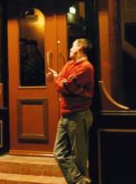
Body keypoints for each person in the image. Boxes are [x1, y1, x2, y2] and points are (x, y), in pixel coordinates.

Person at [46, 38, 95, 184]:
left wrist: (57, 79)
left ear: (79, 47)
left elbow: (67, 87)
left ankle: (80, 180)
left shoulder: (86, 67)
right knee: (59, 153)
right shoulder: (69, 64)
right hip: (66, 115)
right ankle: (80, 181)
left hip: (78, 115)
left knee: (78, 157)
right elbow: (64, 83)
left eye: (72, 46)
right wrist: (60, 80)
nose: (69, 48)